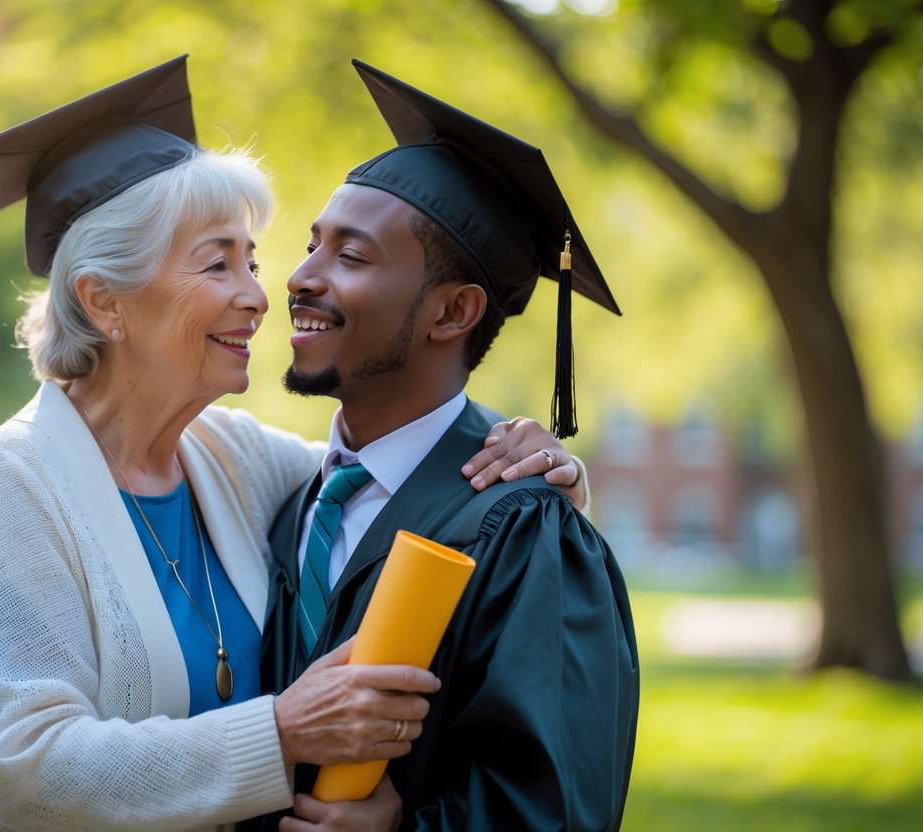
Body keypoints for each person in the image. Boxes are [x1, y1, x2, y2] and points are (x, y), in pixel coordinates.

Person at [0, 55, 585, 832]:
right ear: (104, 301)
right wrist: (280, 732)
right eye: (217, 264)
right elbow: (23, 768)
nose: (260, 294)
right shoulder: (16, 476)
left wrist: (547, 476)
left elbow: (397, 482)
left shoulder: (231, 461)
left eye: (252, 260)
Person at [249, 61, 640, 830]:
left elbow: (557, 810)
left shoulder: (522, 528)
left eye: (350, 257)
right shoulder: (292, 504)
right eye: (310, 246)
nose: (298, 278)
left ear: (452, 312)